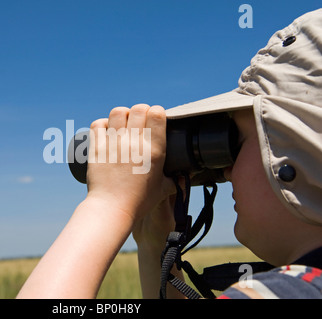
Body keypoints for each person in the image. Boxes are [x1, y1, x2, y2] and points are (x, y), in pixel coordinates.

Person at [17, 9, 322, 299]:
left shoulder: (292, 290)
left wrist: (108, 205)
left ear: (292, 151)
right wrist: (155, 247)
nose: (226, 171)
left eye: (237, 141)